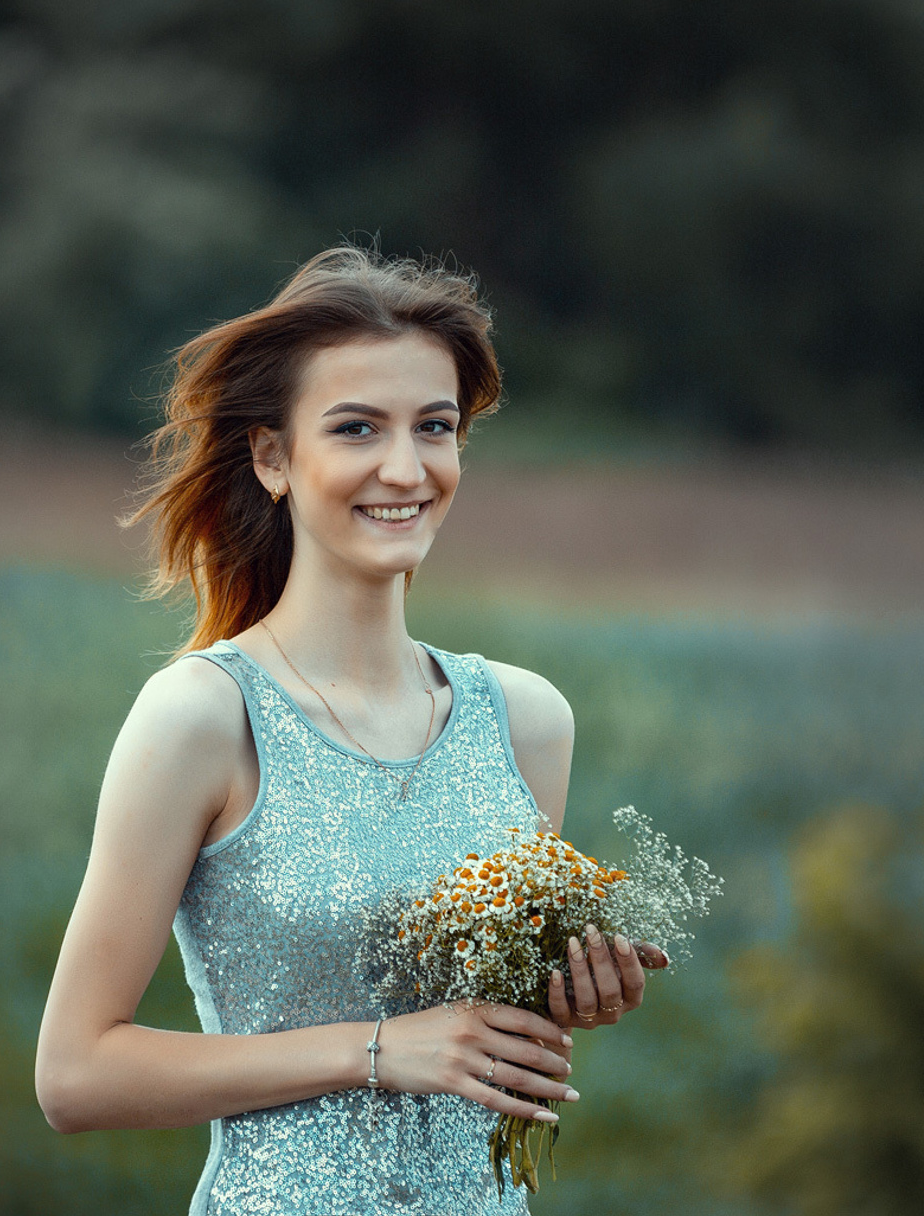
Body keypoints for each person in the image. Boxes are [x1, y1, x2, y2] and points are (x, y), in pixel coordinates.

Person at [35, 246, 666, 1215]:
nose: (406, 468)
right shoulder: (205, 715)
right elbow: (75, 1075)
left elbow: (475, 1036)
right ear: (272, 457)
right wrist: (375, 1051)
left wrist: (567, 994)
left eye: (435, 427)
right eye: (356, 427)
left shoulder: (528, 720)